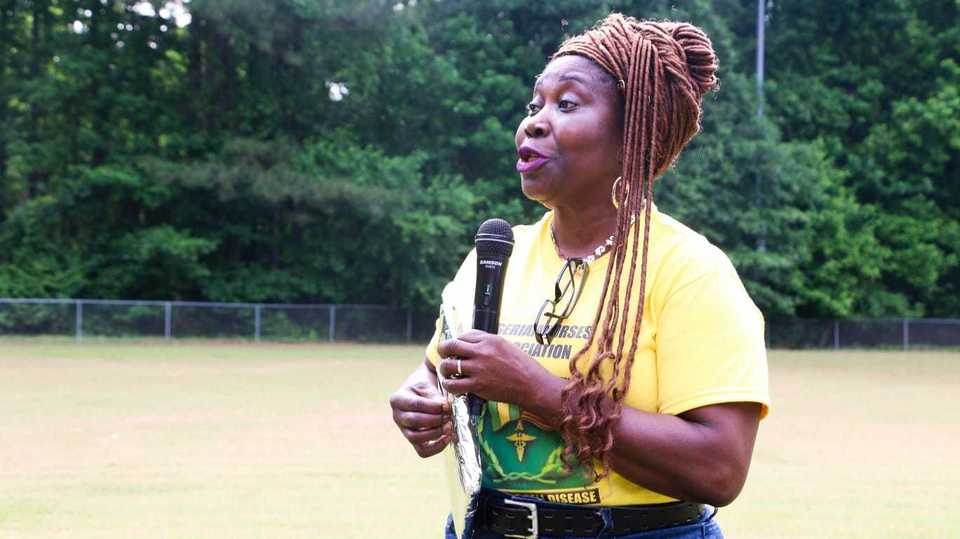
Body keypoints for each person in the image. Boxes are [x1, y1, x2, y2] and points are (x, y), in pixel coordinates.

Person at [389, 12, 770, 539]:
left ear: (633, 133)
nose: (533, 122)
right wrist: (421, 397)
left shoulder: (690, 270)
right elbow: (437, 369)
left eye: (566, 104)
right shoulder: (495, 255)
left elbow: (719, 467)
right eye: (535, 105)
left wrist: (538, 391)